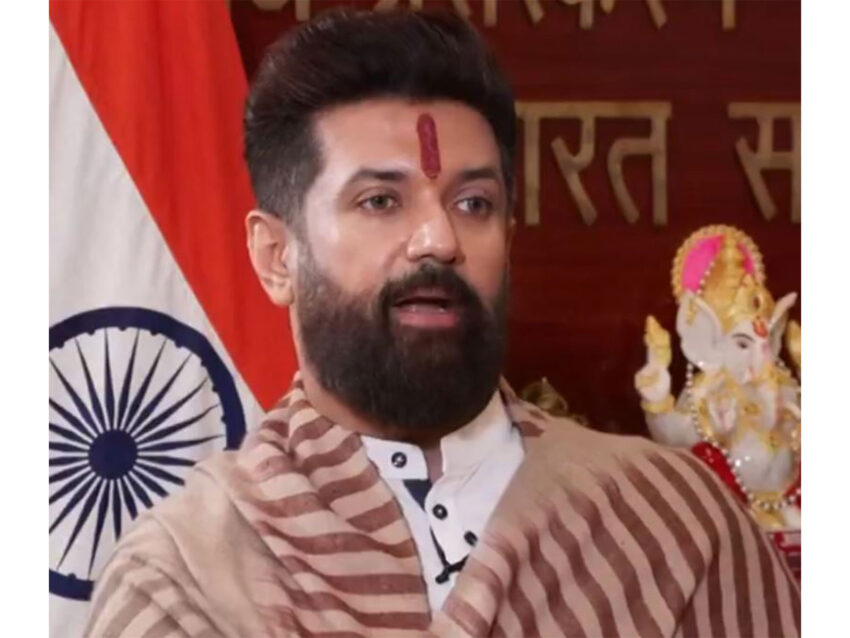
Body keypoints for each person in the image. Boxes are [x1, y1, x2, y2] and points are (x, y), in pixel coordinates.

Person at [85, 8, 800, 637]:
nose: (439, 239)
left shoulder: (668, 523)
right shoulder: (191, 578)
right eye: (380, 201)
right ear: (276, 257)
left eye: (473, 203)